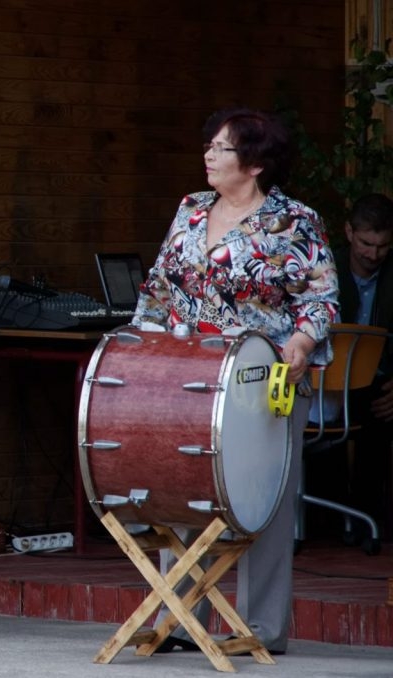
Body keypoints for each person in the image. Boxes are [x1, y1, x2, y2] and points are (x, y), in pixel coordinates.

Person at [133, 108, 339, 654]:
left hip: (259, 376)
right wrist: (141, 351)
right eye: (210, 145)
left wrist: (300, 344)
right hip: (185, 373)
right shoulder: (191, 209)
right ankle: (180, 618)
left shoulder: (294, 220)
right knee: (181, 488)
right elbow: (157, 289)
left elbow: (319, 299)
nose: (208, 155)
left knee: (263, 500)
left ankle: (260, 628)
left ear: (253, 163)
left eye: (221, 148)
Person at [332, 192, 393, 537]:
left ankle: (365, 520)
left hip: (379, 383)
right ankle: (329, 519)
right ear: (349, 232)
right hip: (327, 380)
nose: (373, 254)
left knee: (380, 416)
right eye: (367, 243)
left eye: (383, 246)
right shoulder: (327, 269)